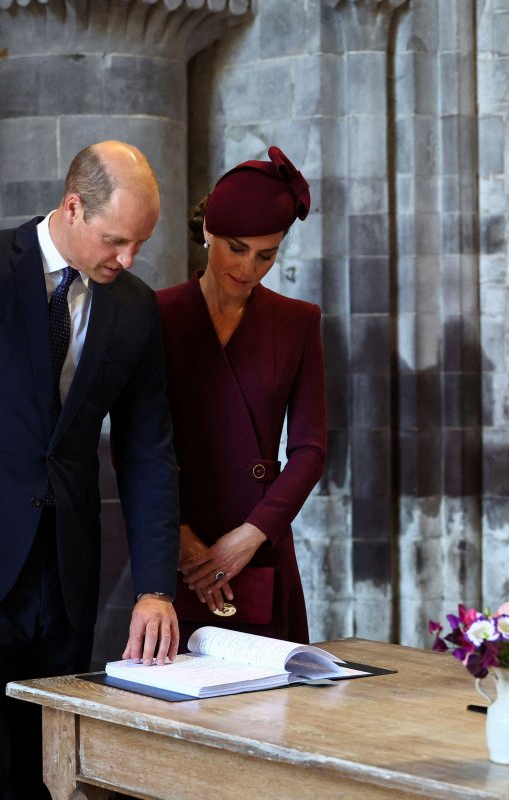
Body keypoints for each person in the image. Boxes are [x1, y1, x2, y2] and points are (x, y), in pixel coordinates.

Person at [0, 141, 181, 798]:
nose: (128, 260)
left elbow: (147, 453)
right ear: (72, 206)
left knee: (45, 780)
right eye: (116, 241)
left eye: (140, 244)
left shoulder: (133, 307)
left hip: (67, 586)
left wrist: (155, 587)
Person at [155, 146, 326, 647]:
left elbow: (311, 449)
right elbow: (135, 439)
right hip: (171, 541)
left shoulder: (298, 322)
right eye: (235, 247)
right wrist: (183, 541)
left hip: (260, 543)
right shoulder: (156, 315)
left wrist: (250, 537)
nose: (248, 267)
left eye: (266, 255)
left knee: (268, 713)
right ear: (207, 230)